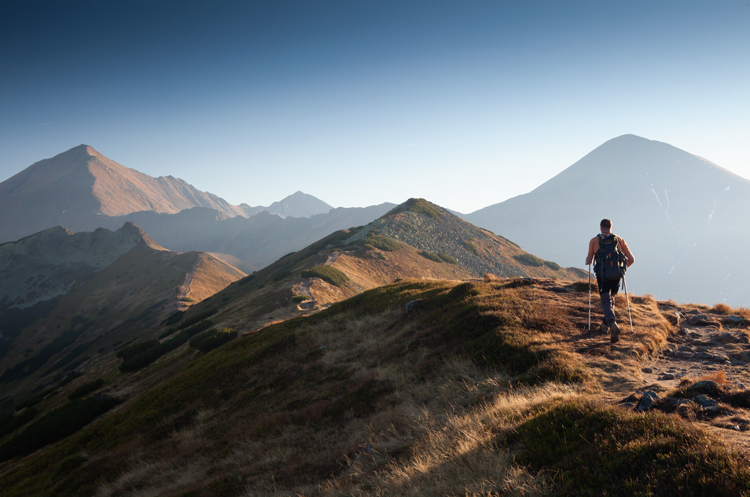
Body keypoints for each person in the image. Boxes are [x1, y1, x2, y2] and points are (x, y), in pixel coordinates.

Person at [585, 219, 635, 343]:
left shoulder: (594, 241)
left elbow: (589, 261)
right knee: (611, 299)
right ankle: (605, 326)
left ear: (601, 227)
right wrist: (621, 269)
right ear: (611, 227)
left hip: (603, 276)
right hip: (616, 276)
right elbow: (631, 259)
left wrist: (588, 260)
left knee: (606, 301)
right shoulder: (619, 240)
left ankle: (612, 324)